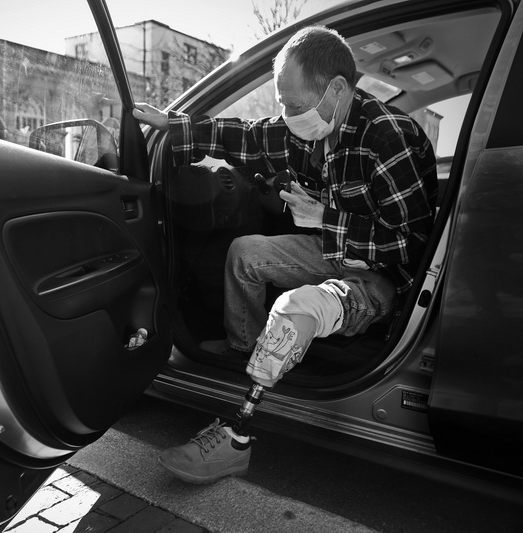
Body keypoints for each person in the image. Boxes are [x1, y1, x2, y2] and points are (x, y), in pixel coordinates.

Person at [133, 25, 438, 484]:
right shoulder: (309, 127)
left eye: (294, 105)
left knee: (297, 309)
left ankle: (236, 438)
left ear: (336, 89)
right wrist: (176, 126)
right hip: (328, 247)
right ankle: (246, 353)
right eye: (283, 105)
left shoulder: (388, 136)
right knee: (244, 253)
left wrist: (324, 219)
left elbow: (412, 245)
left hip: (382, 274)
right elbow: (249, 137)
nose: (288, 116)